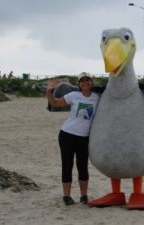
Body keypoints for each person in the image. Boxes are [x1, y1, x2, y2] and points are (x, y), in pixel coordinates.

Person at [46, 72, 100, 206]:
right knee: (67, 165)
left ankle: (83, 195)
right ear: (79, 84)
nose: (85, 82)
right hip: (67, 135)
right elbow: (54, 103)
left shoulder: (97, 97)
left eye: (87, 80)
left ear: (92, 83)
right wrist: (49, 92)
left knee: (83, 166)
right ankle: (67, 196)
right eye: (82, 80)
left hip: (84, 138)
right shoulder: (73, 96)